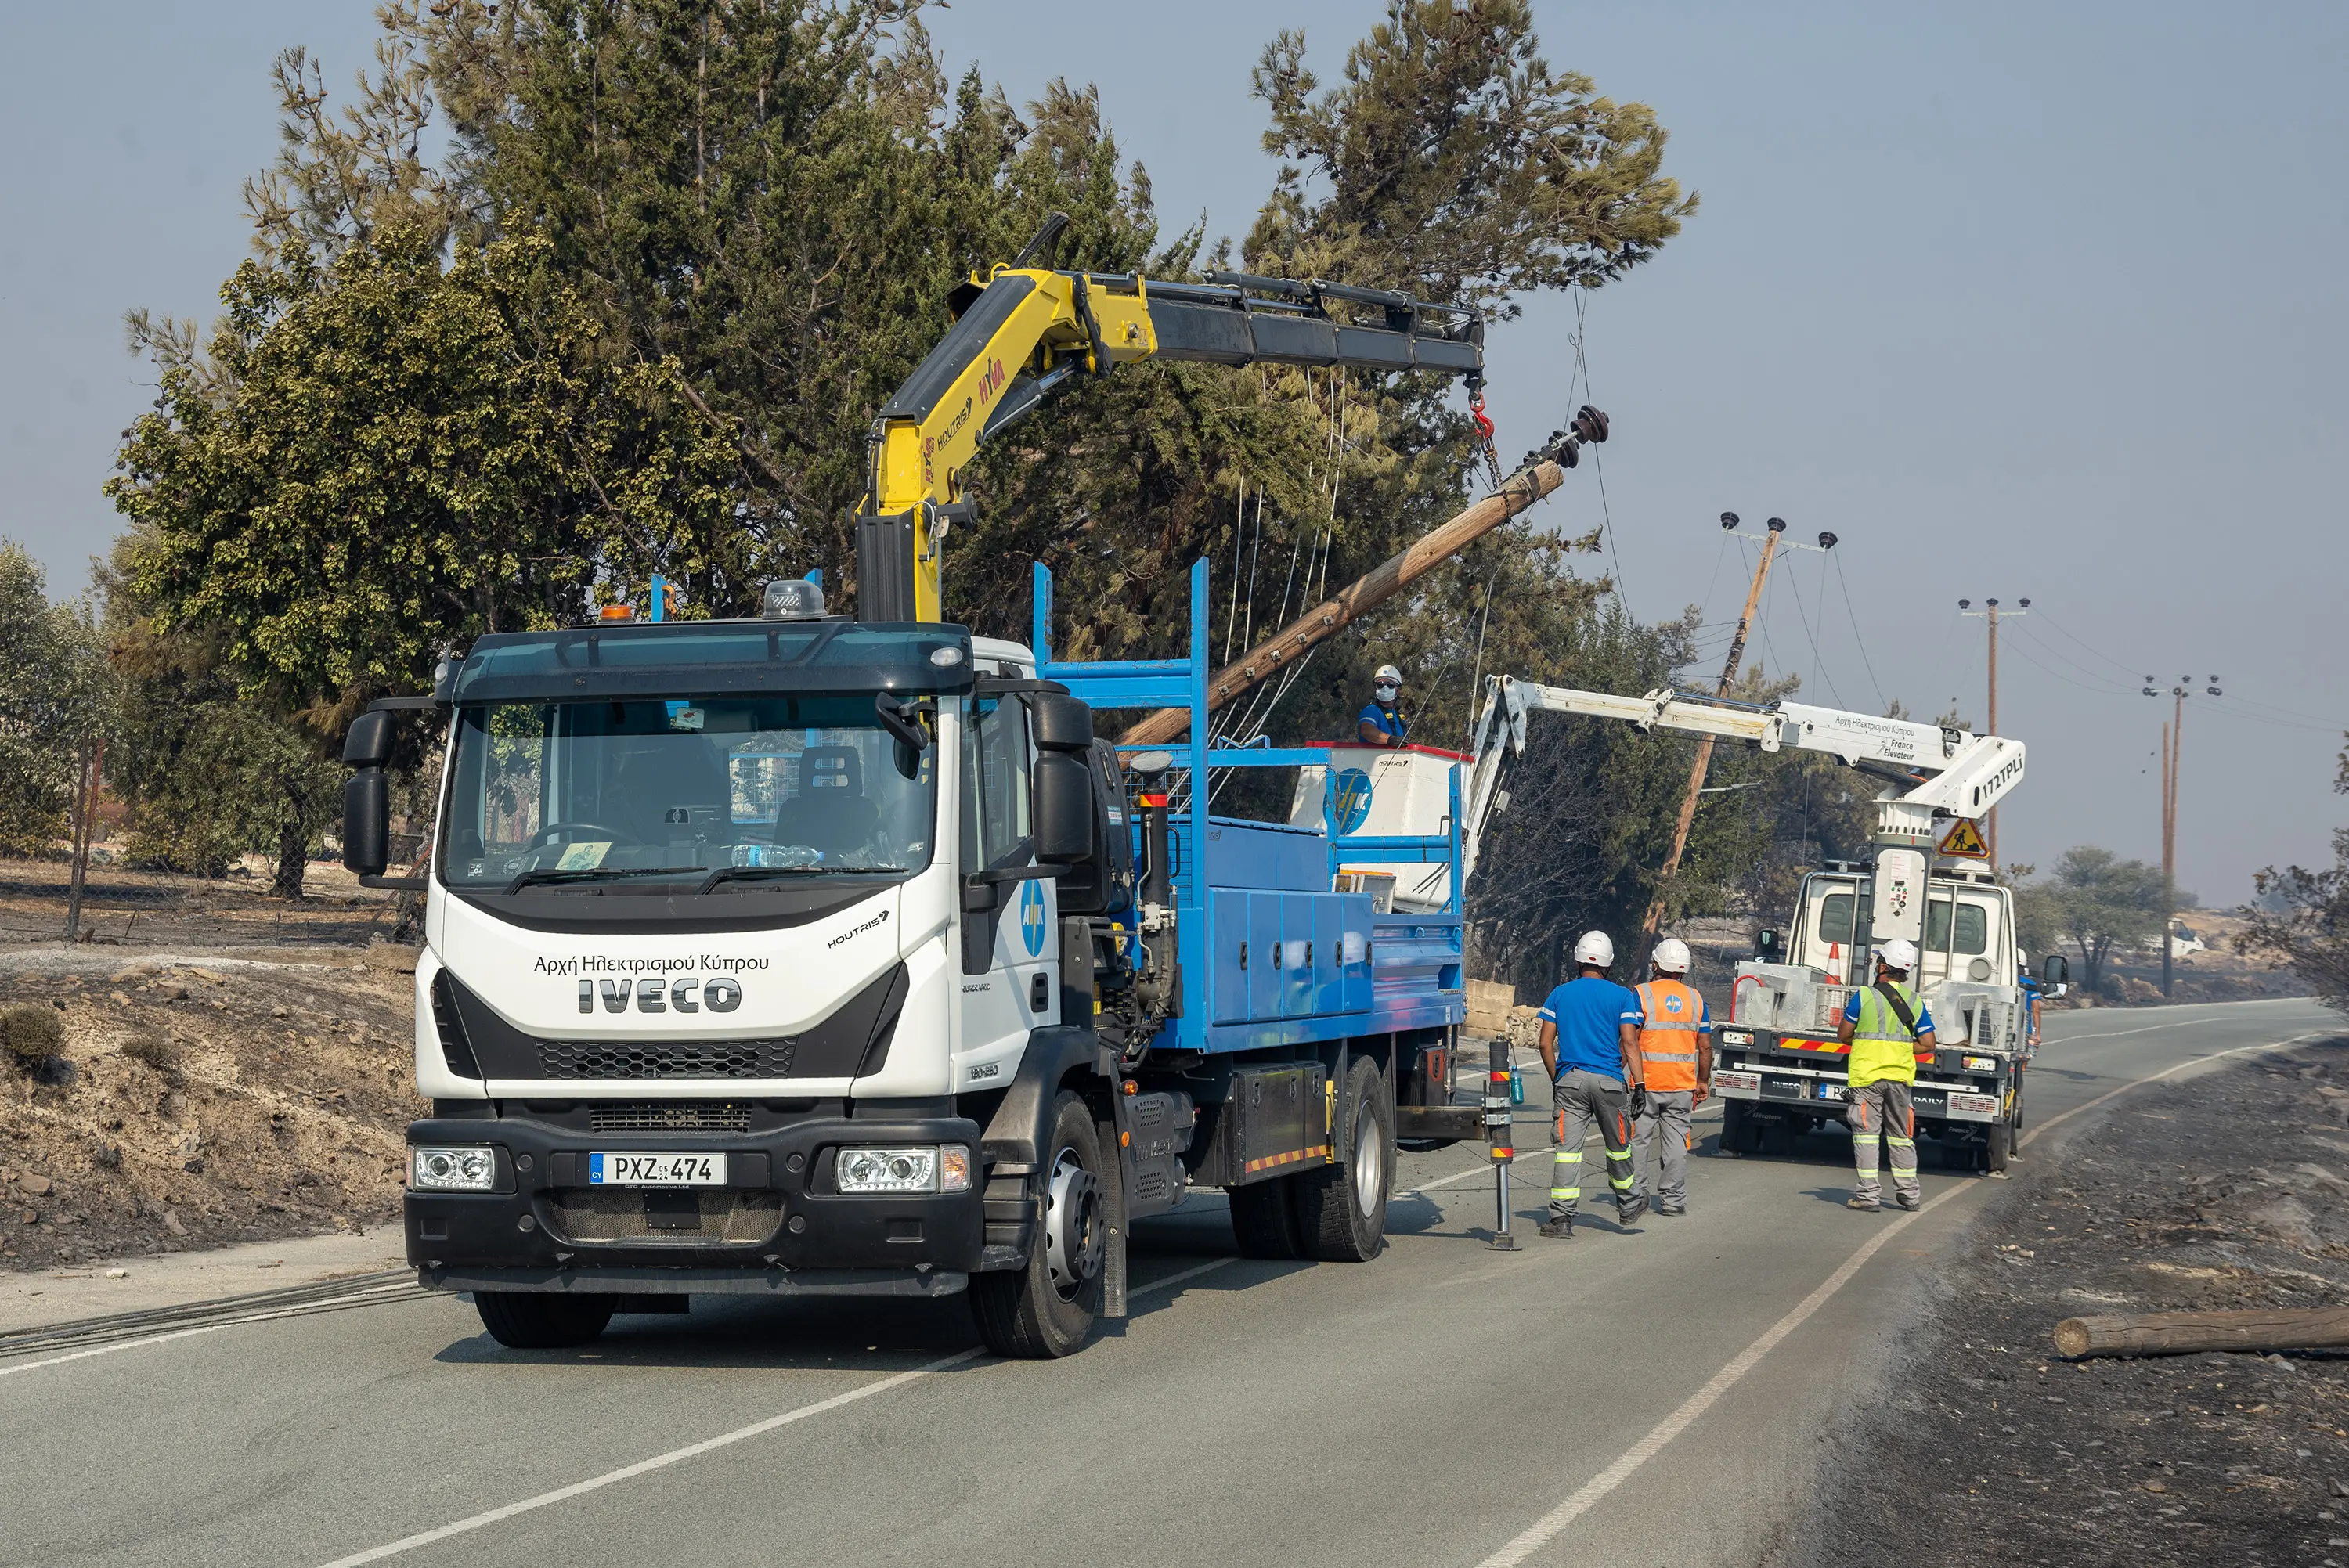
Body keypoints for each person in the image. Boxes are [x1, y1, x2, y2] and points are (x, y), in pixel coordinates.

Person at [1533, 930, 1648, 1238]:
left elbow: (1545, 1044)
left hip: (1570, 1082)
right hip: (1610, 1082)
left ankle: (1561, 1219)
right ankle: (1630, 1205)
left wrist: (1558, 1079)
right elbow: (1630, 1042)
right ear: (1608, 964)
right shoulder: (1622, 996)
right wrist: (1639, 1085)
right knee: (1618, 1148)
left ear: (1578, 961)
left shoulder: (1560, 993)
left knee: (1568, 1152)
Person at [1837, 937, 1936, 1213]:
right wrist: (1900, 1048)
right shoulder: (1915, 1002)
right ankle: (1910, 1197)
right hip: (1900, 1079)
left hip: (1867, 1077)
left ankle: (1868, 1197)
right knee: (1901, 1137)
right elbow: (1928, 1044)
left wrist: (1867, 1044)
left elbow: (1843, 1034)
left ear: (1882, 966)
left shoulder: (1864, 996)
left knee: (1867, 1136)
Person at [1629, 937, 1711, 1217]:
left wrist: (1619, 1070)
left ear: (1656, 965)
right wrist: (1702, 1081)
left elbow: (1630, 1039)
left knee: (1639, 1141)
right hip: (1681, 1086)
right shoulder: (1696, 999)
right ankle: (1673, 1201)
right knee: (1676, 1144)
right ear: (1683, 969)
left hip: (1646, 1084)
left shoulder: (1641, 994)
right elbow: (1705, 1047)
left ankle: (1636, 1197)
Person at [1357, 665, 1409, 748]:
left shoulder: (1398, 716)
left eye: (1390, 685)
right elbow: (1366, 730)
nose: (1385, 688)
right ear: (1375, 689)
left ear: (1398, 690)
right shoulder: (1371, 711)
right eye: (1380, 685)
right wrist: (1390, 740)